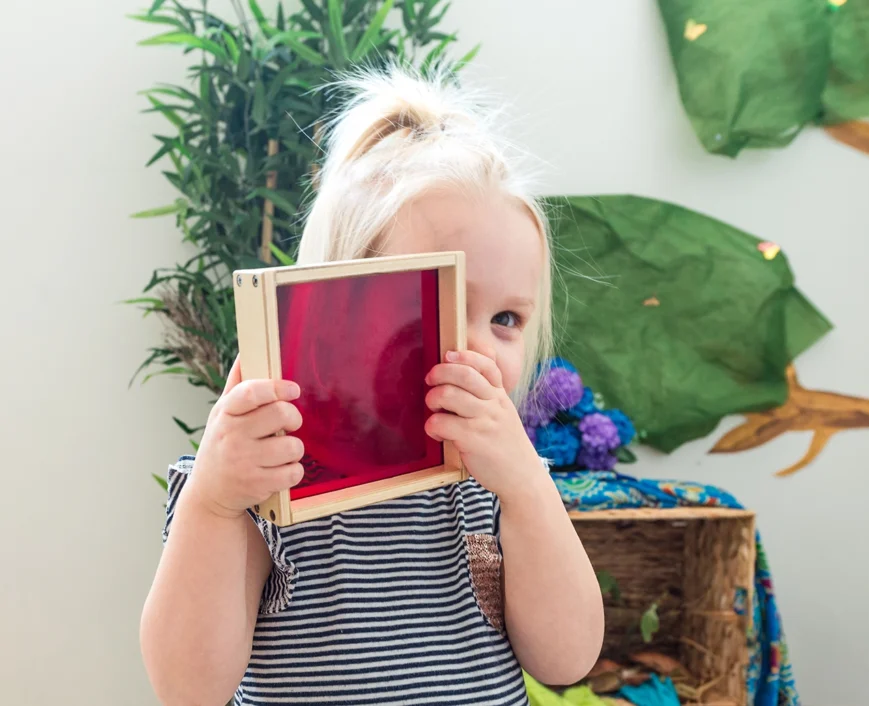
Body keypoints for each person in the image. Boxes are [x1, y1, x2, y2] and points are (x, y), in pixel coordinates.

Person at [139, 65, 605, 706]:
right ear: (338, 312)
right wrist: (215, 502)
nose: (476, 349)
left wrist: (526, 487)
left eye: (506, 319)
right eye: (433, 307)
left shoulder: (498, 483)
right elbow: (186, 690)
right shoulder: (262, 477)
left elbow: (566, 659)